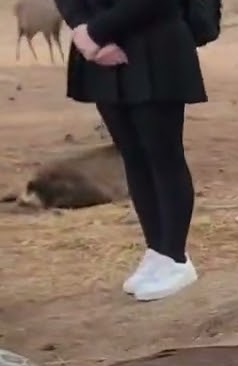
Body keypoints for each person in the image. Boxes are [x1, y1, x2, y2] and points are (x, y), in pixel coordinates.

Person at [52, 0, 206, 302]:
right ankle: (157, 251)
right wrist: (81, 28)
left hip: (154, 43)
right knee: (133, 155)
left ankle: (175, 258)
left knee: (163, 155)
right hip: (100, 53)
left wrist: (95, 32)